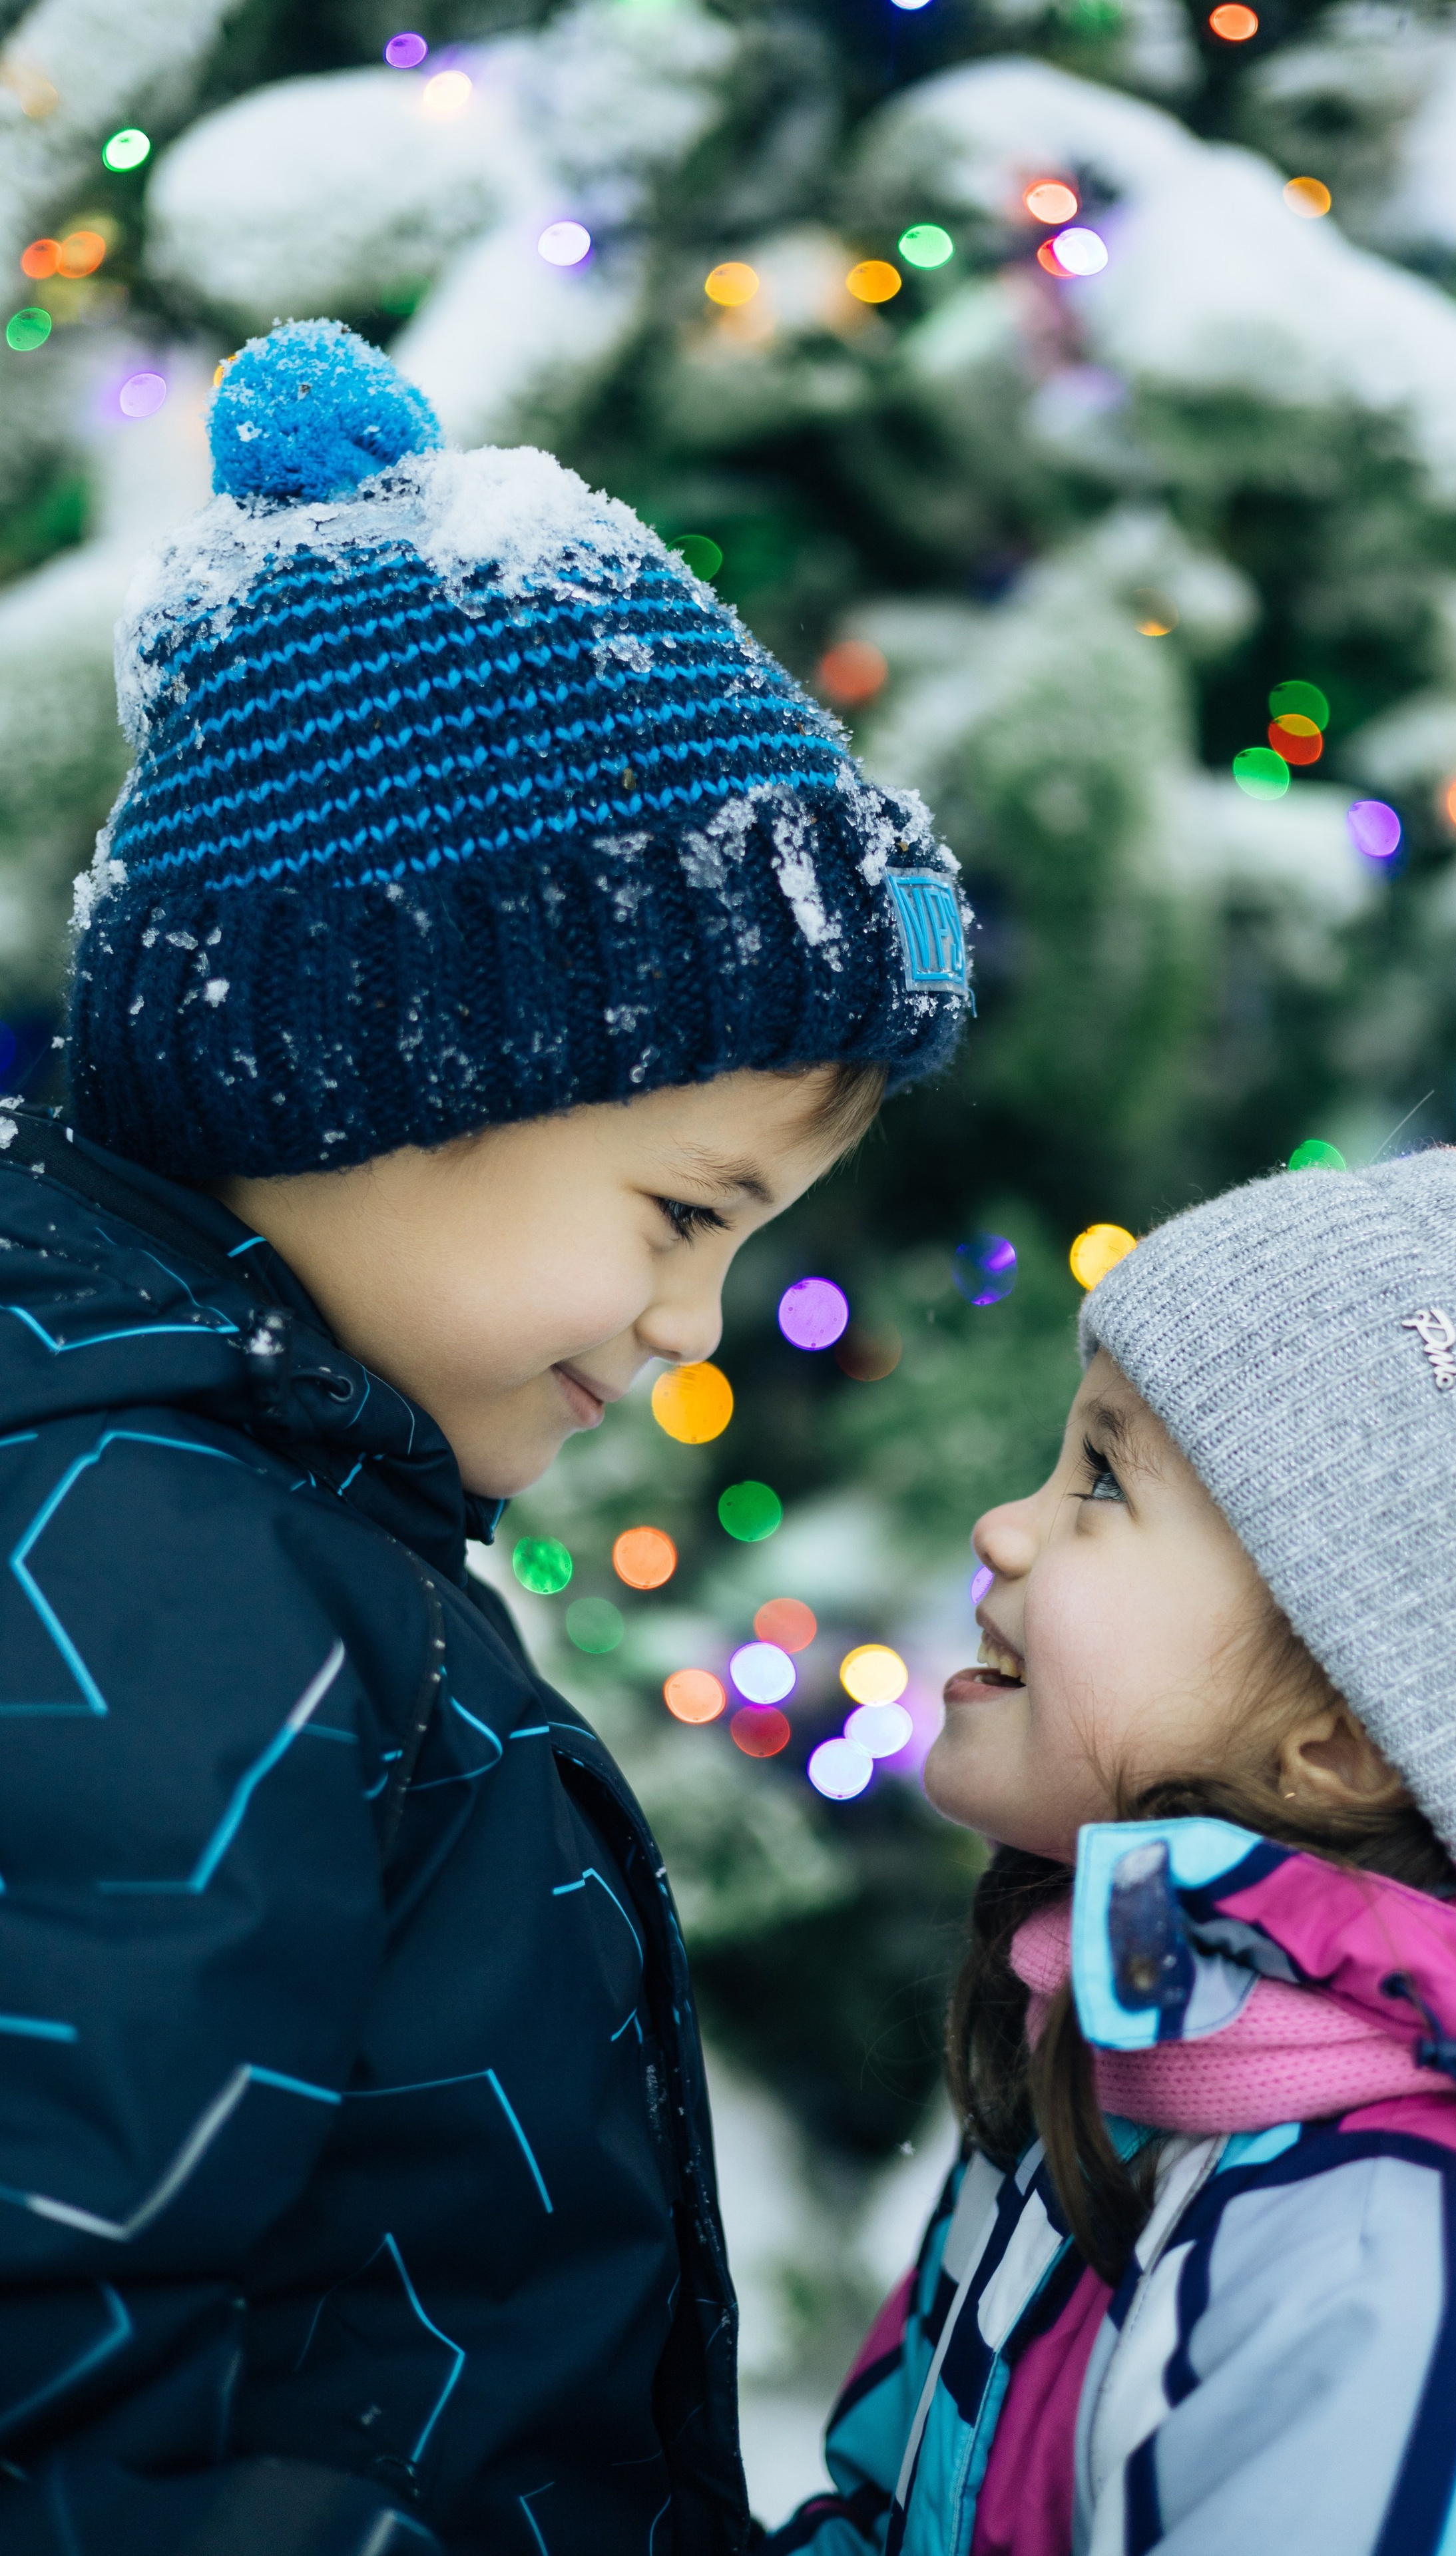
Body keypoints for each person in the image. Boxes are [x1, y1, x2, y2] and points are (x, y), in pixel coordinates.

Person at [0, 318, 969, 2556]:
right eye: (676, 1212)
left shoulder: (266, 1520)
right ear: (394, 1077)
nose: (681, 1324)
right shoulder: (139, 1571)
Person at [774, 1049, 1456, 2556]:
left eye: (1102, 1484)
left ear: (1342, 1735)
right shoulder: (1121, 2029)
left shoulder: (1375, 2267)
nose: (1003, 1527)